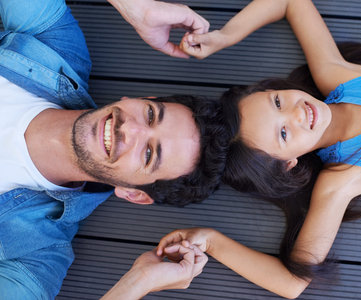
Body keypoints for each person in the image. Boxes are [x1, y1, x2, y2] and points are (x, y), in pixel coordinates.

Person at [157, 0, 361, 298]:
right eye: (283, 134)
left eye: (278, 102)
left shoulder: (340, 78)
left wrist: (226, 36)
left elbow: (290, 2)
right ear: (287, 164)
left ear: (272, 89)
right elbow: (290, 283)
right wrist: (211, 240)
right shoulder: (341, 180)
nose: (297, 114)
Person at [0, 0, 225, 298]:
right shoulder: (56, 50)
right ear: (140, 98)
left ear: (134, 193)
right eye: (150, 114)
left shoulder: (37, 252)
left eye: (148, 154)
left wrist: (138, 282)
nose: (129, 129)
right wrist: (135, 6)